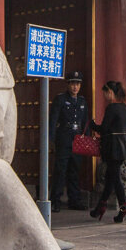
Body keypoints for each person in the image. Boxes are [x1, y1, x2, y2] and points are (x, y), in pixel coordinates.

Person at [88, 80, 126, 223]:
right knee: (110, 178)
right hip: (122, 146)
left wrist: (93, 125)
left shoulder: (112, 108)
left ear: (110, 92)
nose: (105, 96)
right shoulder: (125, 108)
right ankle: (100, 207)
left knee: (115, 179)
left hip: (113, 147)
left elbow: (105, 128)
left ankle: (124, 208)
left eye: (105, 93)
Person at [48, 71, 89, 210]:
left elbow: (85, 122)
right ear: (68, 84)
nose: (75, 87)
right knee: (60, 170)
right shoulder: (60, 99)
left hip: (77, 139)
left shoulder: (82, 101)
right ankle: (55, 200)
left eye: (77, 84)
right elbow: (53, 120)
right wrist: (51, 139)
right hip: (64, 138)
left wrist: (86, 139)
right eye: (72, 83)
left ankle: (74, 200)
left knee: (74, 170)